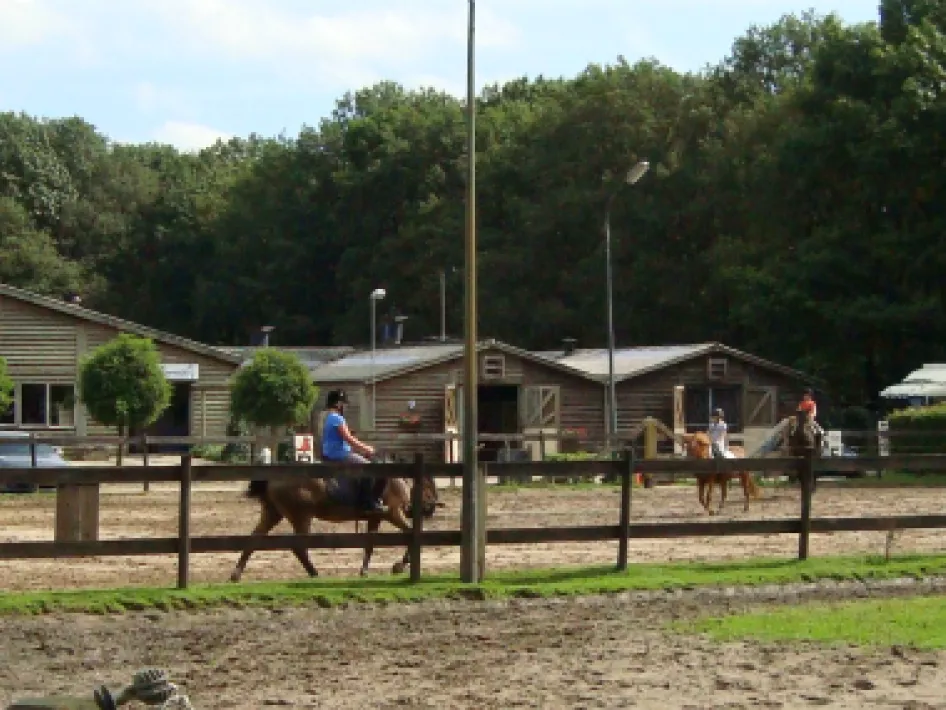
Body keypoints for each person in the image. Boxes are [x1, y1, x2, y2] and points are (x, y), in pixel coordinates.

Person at [321, 389, 386, 513]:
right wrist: (367, 448)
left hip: (335, 452)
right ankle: (366, 502)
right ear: (338, 404)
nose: (345, 407)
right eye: (344, 404)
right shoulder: (337, 418)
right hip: (340, 455)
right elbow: (348, 438)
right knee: (369, 468)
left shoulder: (330, 417)